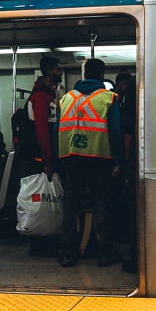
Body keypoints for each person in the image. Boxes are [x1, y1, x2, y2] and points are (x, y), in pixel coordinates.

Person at [57, 58, 123, 268]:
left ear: (84, 75)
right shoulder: (108, 98)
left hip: (71, 159)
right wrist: (118, 160)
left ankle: (67, 253)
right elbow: (115, 132)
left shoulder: (66, 98)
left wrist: (59, 159)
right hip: (99, 158)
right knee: (101, 204)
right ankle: (105, 253)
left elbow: (55, 132)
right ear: (102, 76)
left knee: (71, 205)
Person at [17, 56, 63, 256]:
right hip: (40, 160)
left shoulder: (49, 95)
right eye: (58, 69)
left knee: (45, 201)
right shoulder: (40, 98)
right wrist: (48, 161)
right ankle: (40, 243)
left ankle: (46, 242)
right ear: (51, 71)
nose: (60, 72)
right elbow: (42, 131)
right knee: (41, 201)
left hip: (43, 157)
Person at [114, 72, 138, 274]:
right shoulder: (140, 85)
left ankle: (135, 255)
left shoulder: (130, 90)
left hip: (134, 160)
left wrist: (125, 159)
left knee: (133, 207)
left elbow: (128, 129)